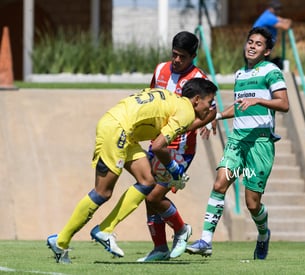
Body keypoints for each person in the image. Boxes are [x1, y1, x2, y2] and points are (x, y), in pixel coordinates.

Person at [46, 77, 217, 264]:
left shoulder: (173, 99)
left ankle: (98, 231)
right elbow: (159, 146)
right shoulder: (186, 112)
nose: (209, 108)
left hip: (122, 129)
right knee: (103, 192)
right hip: (118, 130)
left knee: (147, 181)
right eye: (209, 102)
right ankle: (63, 240)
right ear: (197, 99)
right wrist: (175, 170)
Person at [88, 31, 217, 262]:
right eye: (174, 55)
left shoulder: (199, 78)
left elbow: (212, 109)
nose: (177, 60)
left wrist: (192, 126)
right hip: (158, 143)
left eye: (183, 57)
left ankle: (181, 230)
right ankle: (159, 248)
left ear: (193, 57)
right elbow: (152, 96)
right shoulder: (160, 70)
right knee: (148, 192)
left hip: (180, 149)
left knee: (154, 196)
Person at [185, 27, 289, 260]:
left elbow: (284, 104)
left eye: (258, 44)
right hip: (237, 140)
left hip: (260, 143)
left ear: (267, 51)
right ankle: (206, 241)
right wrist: (216, 117)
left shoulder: (271, 71)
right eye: (250, 41)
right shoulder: (240, 74)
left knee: (252, 203)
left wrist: (259, 100)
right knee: (220, 183)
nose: (252, 46)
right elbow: (240, 105)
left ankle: (263, 234)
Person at [253, 0, 292, 69]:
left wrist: (286, 21)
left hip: (262, 47)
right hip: (258, 47)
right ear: (270, 8)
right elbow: (286, 26)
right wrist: (287, 22)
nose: (278, 11)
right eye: (276, 9)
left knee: (264, 68)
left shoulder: (269, 15)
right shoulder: (269, 17)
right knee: (261, 70)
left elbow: (283, 20)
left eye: (279, 9)